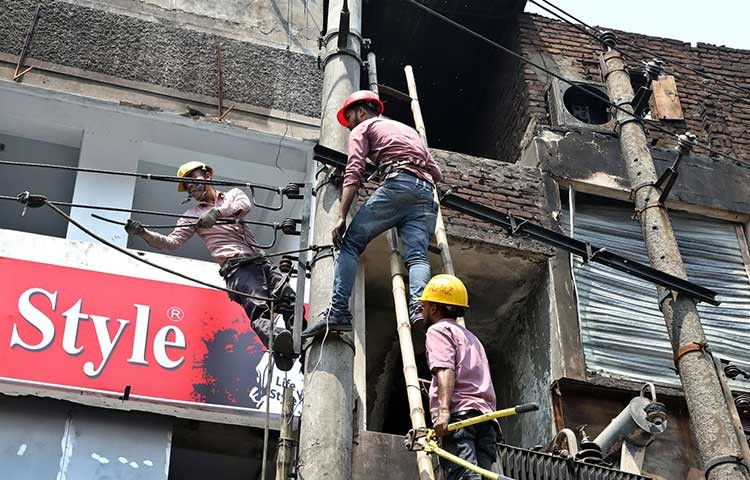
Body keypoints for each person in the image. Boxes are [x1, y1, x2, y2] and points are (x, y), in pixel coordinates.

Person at [124, 161, 297, 371]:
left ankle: (301, 337)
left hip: (261, 261)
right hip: (237, 268)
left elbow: (244, 205)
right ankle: (276, 340)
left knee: (288, 296)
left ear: (207, 176)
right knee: (258, 305)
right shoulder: (192, 216)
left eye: (193, 181)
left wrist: (216, 214)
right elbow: (172, 242)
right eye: (188, 188)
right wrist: (144, 233)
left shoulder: (232, 194)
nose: (193, 189)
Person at [302, 90, 443, 338]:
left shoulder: (363, 128)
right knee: (418, 257)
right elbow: (437, 173)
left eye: (350, 119)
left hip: (398, 186)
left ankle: (337, 313)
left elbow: (354, 170)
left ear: (362, 112)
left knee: (350, 244)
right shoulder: (408, 131)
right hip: (426, 193)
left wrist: (341, 216)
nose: (349, 127)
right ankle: (419, 308)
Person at [421, 274, 500, 479]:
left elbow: (445, 369)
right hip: (487, 420)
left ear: (434, 308)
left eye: (425, 305)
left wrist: (444, 411)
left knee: (465, 477)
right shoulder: (473, 339)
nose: (422, 310)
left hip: (461, 419)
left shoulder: (438, 330)